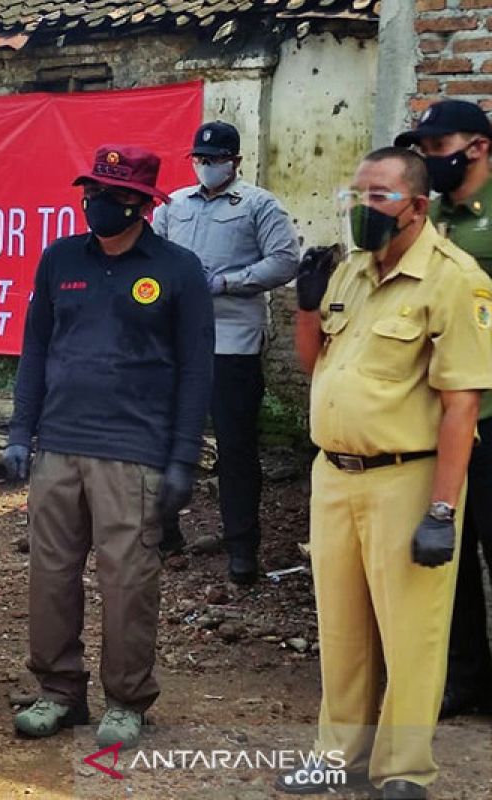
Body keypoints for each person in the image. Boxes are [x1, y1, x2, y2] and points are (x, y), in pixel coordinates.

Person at [279, 148, 492, 799]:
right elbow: (316, 366)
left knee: (411, 634)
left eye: (377, 197)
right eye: (356, 195)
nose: (359, 208)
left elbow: (461, 405)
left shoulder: (456, 279)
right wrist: (308, 307)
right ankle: (337, 753)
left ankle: (404, 768)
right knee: (342, 628)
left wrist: (442, 511)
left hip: (406, 476)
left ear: (416, 207)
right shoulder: (349, 272)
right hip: (334, 475)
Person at [3, 145, 214, 747]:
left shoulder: (178, 270)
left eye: (115, 197)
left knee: (127, 583)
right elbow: (37, 350)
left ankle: (127, 700)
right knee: (50, 577)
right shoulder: (60, 259)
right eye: (93, 193)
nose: (99, 205)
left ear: (140, 205)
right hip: (59, 446)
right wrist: (22, 432)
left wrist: (182, 460)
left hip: (136, 452)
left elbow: (196, 372)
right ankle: (59, 693)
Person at [152, 121, 300, 584]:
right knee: (163, 437)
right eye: (200, 158)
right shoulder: (174, 205)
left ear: (235, 162)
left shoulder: (258, 204)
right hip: (175, 341)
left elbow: (286, 260)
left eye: (216, 160)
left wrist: (228, 282)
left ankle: (242, 548)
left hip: (232, 341)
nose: (207, 166)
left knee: (236, 447)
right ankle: (165, 532)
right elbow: (151, 254)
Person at [395, 99, 492, 719]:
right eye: (424, 149)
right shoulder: (431, 220)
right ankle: (466, 679)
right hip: (434, 415)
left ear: (478, 146)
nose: (430, 158)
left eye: (438, 145)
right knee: (445, 554)